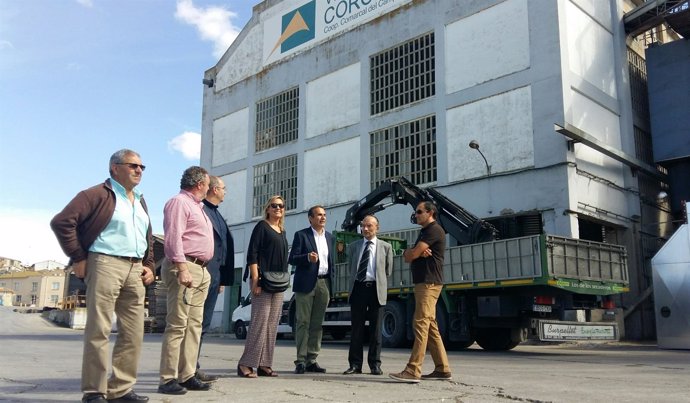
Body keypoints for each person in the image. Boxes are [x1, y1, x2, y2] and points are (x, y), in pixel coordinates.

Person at [50, 149, 155, 403]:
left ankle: (120, 389)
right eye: (133, 166)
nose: (139, 170)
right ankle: (95, 390)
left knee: (133, 332)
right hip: (105, 263)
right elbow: (62, 222)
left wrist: (150, 264)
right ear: (114, 168)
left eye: (142, 167)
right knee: (99, 329)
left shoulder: (139, 200)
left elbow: (147, 236)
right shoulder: (96, 194)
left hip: (134, 269)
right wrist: (79, 257)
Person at [158, 166, 213, 395]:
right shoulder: (179, 202)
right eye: (208, 184)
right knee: (178, 324)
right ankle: (167, 378)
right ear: (199, 183)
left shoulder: (198, 207)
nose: (209, 187)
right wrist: (182, 267)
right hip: (185, 266)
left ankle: (187, 374)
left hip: (200, 270)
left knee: (194, 326)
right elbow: (172, 238)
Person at [389, 201, 452, 383]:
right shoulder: (425, 232)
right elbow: (410, 254)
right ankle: (442, 368)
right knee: (430, 325)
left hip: (428, 283)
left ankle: (413, 370)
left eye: (419, 212)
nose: (416, 215)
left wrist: (414, 252)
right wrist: (414, 252)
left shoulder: (434, 230)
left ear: (430, 212)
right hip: (425, 282)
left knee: (421, 324)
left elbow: (411, 255)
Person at [237, 195, 289, 378]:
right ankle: (246, 364)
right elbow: (252, 254)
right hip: (262, 281)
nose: (278, 209)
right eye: (274, 206)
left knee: (272, 324)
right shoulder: (262, 227)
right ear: (267, 208)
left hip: (278, 283)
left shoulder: (282, 230)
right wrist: (256, 280)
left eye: (281, 206)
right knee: (259, 323)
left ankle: (265, 364)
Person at [342, 215, 393, 376]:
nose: (365, 229)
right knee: (356, 329)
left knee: (376, 330)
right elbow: (352, 269)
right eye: (363, 226)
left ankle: (375, 364)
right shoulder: (354, 246)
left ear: (377, 227)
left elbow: (388, 271)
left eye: (369, 226)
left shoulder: (386, 247)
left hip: (375, 290)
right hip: (358, 289)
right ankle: (355, 364)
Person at [196, 176, 235, 382]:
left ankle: (192, 366)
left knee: (203, 324)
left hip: (214, 277)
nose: (225, 191)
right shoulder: (200, 210)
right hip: (200, 273)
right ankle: (184, 368)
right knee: (191, 324)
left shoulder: (218, 215)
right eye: (223, 188)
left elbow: (224, 247)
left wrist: (222, 279)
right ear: (213, 189)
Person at [288, 205, 334, 374]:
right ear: (310, 218)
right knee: (303, 323)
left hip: (324, 283)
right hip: (306, 284)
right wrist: (307, 257)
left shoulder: (330, 237)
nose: (323, 218)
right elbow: (292, 259)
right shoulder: (301, 235)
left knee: (317, 324)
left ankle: (311, 360)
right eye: (319, 215)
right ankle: (300, 360)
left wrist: (332, 285)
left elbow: (332, 262)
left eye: (324, 215)